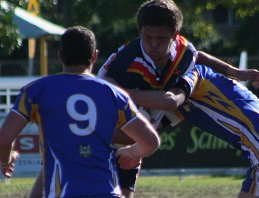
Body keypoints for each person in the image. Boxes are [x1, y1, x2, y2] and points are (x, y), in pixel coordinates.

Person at [97, 0, 259, 197]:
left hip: (142, 131)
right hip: (111, 134)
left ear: (175, 34)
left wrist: (234, 72)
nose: (153, 45)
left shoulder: (184, 51)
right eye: (147, 37)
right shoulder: (126, 58)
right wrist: (125, 98)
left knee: (126, 192)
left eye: (161, 39)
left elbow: (196, 55)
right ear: (140, 33)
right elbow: (101, 86)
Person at [0, 26, 160, 198]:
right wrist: (131, 153)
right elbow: (150, 142)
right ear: (95, 56)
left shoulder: (36, 91)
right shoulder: (115, 94)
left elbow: (4, 138)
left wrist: (5, 160)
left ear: (60, 55)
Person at [127, 63, 259, 198]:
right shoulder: (197, 92)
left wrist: (120, 93)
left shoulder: (194, 75)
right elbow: (148, 130)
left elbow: (168, 101)